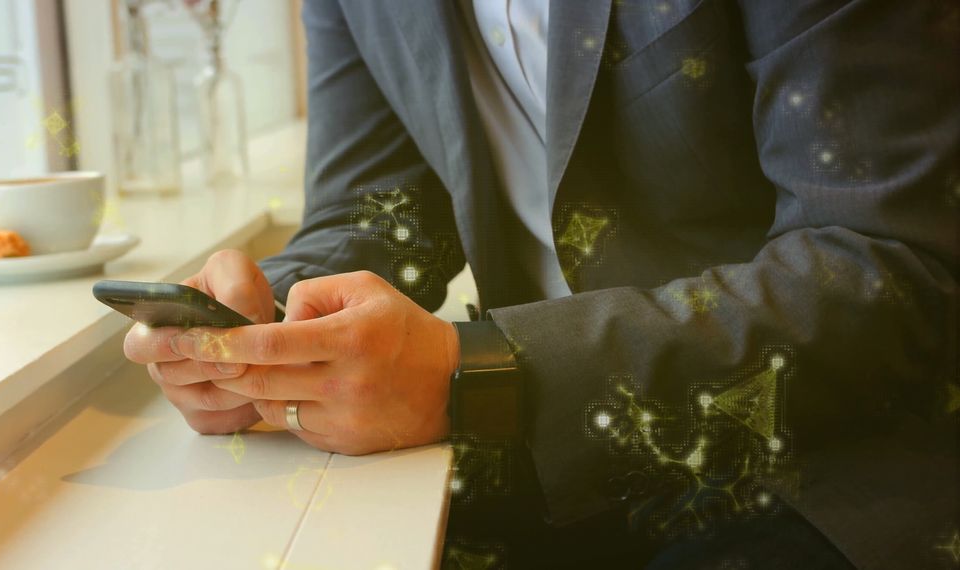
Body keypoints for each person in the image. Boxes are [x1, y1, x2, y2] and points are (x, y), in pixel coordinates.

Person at [123, 0, 959, 567]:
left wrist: (484, 374)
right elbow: (379, 211)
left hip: (831, 457)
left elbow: (891, 265)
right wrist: (267, 331)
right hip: (550, 455)